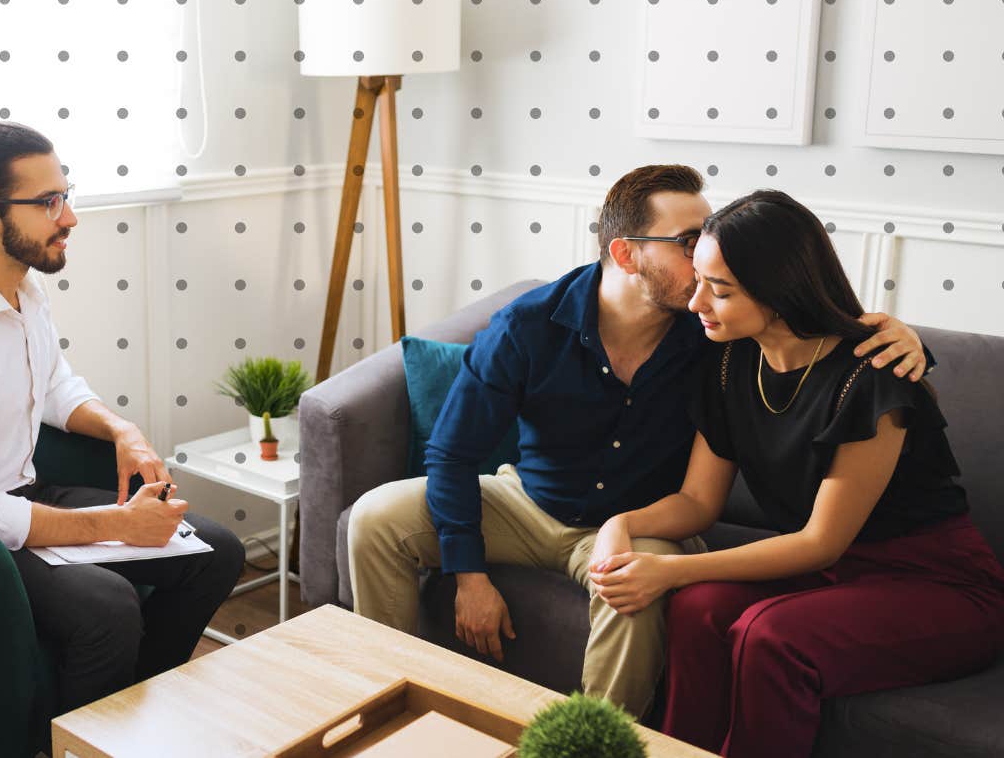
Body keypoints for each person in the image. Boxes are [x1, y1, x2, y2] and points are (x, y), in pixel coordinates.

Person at [346, 165, 929, 718]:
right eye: (688, 242)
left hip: (647, 522)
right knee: (375, 518)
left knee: (633, 589)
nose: (706, 256)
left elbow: (806, 328)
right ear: (625, 253)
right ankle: (391, 702)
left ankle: (596, 745)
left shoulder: (715, 332)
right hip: (527, 504)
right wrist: (468, 576)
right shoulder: (527, 326)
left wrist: (904, 339)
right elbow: (451, 452)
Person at [586, 189, 1004, 756]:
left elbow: (819, 543)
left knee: (769, 638)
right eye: (700, 280)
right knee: (698, 610)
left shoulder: (874, 376)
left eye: (721, 289)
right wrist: (622, 524)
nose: (696, 302)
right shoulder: (728, 363)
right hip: (832, 574)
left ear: (780, 291)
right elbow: (697, 503)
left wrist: (668, 569)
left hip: (937, 583)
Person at [0, 121, 244, 714]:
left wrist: (122, 430)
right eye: (48, 203)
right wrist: (119, 523)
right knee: (109, 609)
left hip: (17, 493)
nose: (69, 218)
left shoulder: (22, 290)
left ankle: (123, 723)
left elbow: (53, 387)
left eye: (66, 195)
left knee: (213, 551)